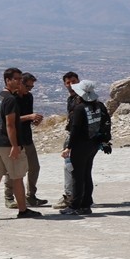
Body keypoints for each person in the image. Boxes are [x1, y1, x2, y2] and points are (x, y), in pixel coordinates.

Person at [0, 68, 41, 221]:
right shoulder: (10, 99)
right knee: (17, 177)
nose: (18, 81)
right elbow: (10, 125)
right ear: (7, 80)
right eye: (16, 79)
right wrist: (15, 146)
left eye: (19, 79)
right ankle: (23, 210)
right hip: (6, 143)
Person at [61, 80, 111, 216]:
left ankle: (75, 206)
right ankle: (86, 204)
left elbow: (75, 130)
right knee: (86, 174)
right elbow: (106, 122)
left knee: (77, 176)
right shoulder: (99, 106)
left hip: (80, 146)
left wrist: (68, 147)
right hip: (93, 144)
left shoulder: (80, 108)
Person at [4, 73, 46, 208]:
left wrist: (34, 120)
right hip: (15, 139)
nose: (29, 89)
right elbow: (10, 121)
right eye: (27, 86)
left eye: (31, 87)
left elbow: (26, 118)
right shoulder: (12, 99)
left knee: (34, 167)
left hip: (27, 137)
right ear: (20, 83)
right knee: (13, 169)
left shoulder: (29, 97)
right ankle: (9, 197)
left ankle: (31, 195)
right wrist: (29, 117)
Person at [55, 71, 80, 210]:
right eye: (68, 82)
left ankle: (70, 196)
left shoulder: (81, 99)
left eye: (74, 81)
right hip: (72, 135)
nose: (71, 85)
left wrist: (69, 144)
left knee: (70, 167)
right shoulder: (71, 99)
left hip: (76, 138)